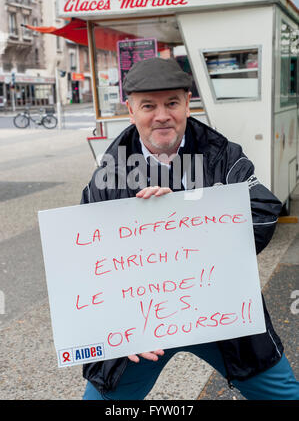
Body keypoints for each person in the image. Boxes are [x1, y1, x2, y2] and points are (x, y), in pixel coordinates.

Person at [81, 57, 299, 400]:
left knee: (283, 395)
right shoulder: (107, 174)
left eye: (172, 103)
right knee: (103, 400)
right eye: (148, 106)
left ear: (187, 102)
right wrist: (118, 327)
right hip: (143, 321)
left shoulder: (223, 155)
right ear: (130, 110)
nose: (162, 115)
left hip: (220, 309)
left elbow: (265, 214)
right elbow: (88, 259)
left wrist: (187, 210)